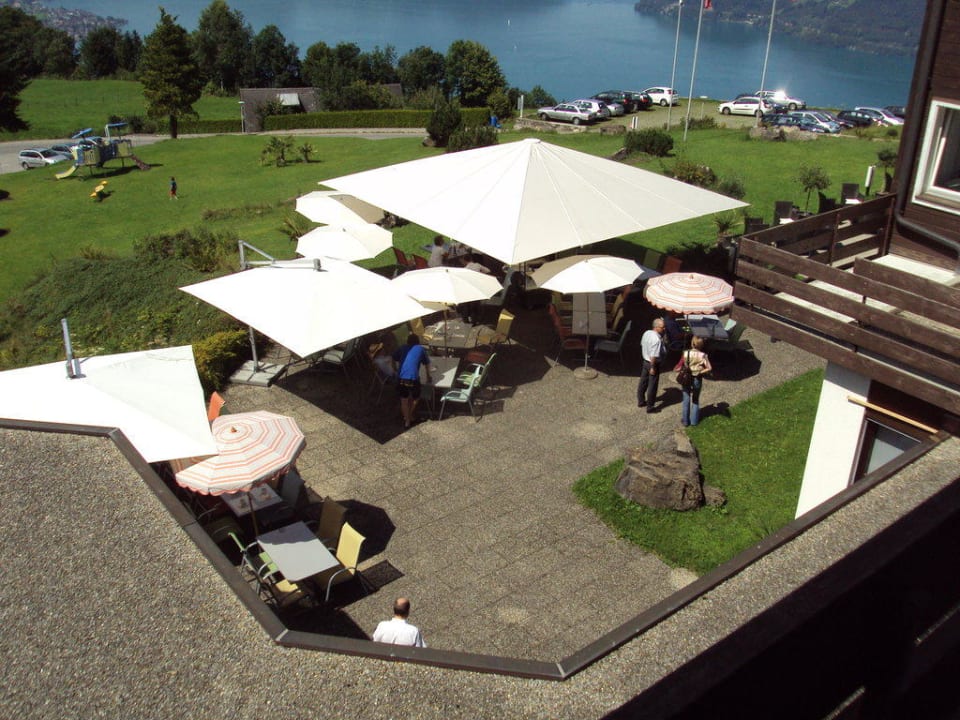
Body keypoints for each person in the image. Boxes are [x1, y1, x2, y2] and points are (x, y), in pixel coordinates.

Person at [392, 333, 431, 428]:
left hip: (401, 378)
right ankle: (409, 416)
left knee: (404, 400)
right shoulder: (420, 348)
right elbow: (427, 364)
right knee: (416, 398)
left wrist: (395, 369)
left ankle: (407, 421)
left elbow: (393, 358)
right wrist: (428, 376)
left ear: (407, 341)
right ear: (418, 342)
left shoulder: (402, 347)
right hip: (413, 378)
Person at [681, 335, 713, 427]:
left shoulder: (686, 353)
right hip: (697, 378)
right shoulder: (703, 355)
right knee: (695, 399)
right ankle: (694, 421)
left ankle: (686, 421)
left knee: (686, 398)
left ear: (692, 343)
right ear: (701, 345)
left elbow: (685, 365)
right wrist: (700, 371)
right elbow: (709, 368)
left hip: (687, 377)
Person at [637, 317, 666, 413]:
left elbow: (642, 344)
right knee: (652, 385)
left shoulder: (646, 333)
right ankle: (650, 406)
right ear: (657, 327)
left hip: (645, 361)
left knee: (643, 381)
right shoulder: (656, 339)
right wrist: (653, 367)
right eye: (662, 327)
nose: (664, 329)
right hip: (652, 363)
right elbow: (654, 355)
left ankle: (641, 401)